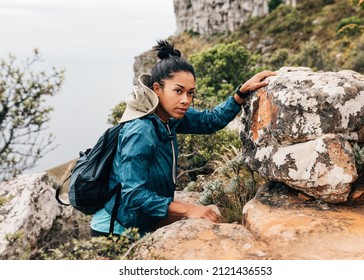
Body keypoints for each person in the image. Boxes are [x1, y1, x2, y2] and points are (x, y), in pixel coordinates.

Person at [90, 40, 276, 237]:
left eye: (190, 93)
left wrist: (240, 94)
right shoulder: (140, 131)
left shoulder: (169, 118)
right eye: (178, 91)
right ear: (157, 89)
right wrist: (188, 209)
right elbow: (133, 195)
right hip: (115, 229)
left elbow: (209, 121)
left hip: (143, 220)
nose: (185, 100)